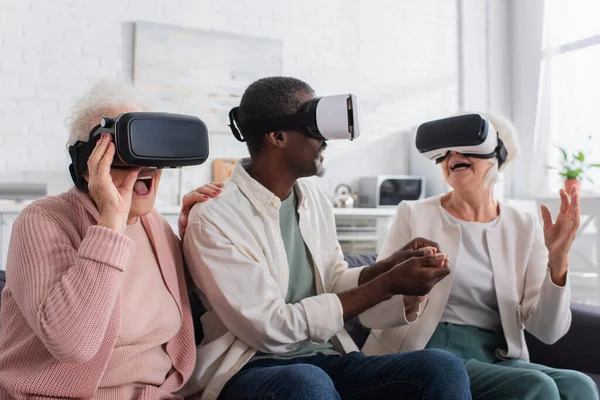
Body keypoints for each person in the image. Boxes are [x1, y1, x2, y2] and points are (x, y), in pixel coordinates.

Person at [179, 76, 472, 400]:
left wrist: (389, 268)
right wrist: (385, 284)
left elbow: (331, 280)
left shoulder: (314, 199)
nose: (325, 142)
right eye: (314, 129)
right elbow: (271, 329)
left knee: (442, 368)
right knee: (306, 384)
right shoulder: (213, 217)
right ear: (277, 137)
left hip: (325, 359)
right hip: (250, 369)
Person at [0, 81, 223, 399]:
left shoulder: (154, 224)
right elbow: (73, 344)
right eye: (124, 149)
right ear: (88, 164)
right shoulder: (42, 220)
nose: (144, 165)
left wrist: (194, 239)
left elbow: (190, 301)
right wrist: (110, 223)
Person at [360, 113, 599, 399]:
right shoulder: (413, 214)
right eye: (446, 151)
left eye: (468, 146)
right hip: (429, 350)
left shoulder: (524, 225)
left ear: (498, 155)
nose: (453, 155)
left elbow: (548, 332)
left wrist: (558, 262)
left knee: (580, 386)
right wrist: (412, 296)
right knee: (538, 387)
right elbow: (372, 308)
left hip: (498, 353)